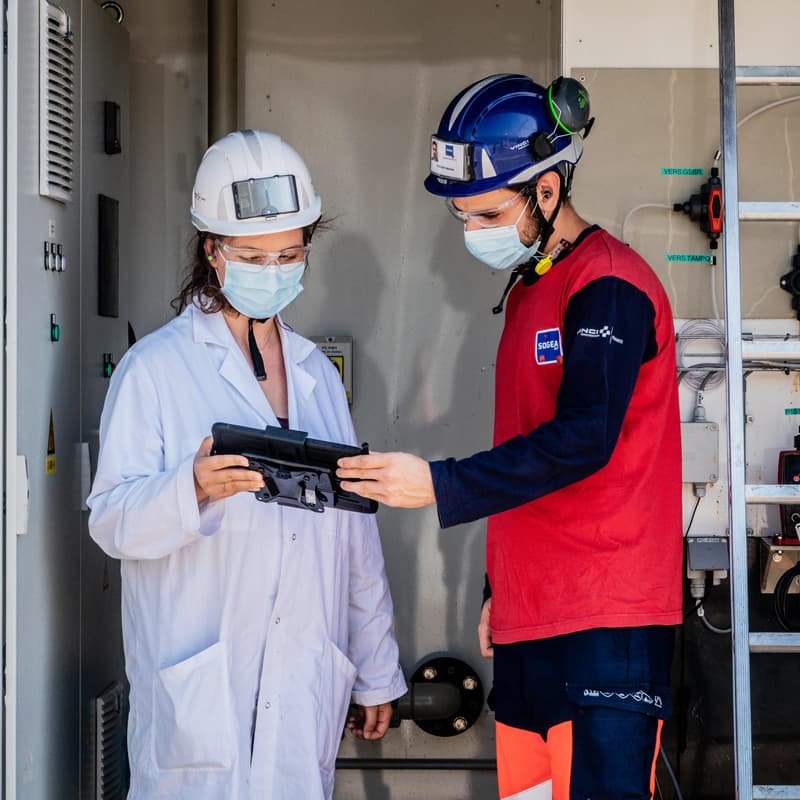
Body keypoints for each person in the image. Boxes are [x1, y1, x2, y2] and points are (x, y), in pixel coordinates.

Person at [337, 74, 682, 800]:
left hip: (606, 622)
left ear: (548, 190)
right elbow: (531, 442)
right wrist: (503, 585)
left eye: (490, 212)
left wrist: (440, 484)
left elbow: (583, 439)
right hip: (533, 616)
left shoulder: (609, 284)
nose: (473, 231)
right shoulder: (530, 289)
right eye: (463, 214)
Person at [87, 129, 406, 800]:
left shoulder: (317, 375)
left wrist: (376, 667)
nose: (274, 270)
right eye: (254, 256)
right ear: (212, 250)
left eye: (289, 255)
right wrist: (189, 489)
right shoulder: (156, 369)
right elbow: (111, 521)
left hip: (302, 684)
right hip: (200, 692)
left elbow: (354, 532)